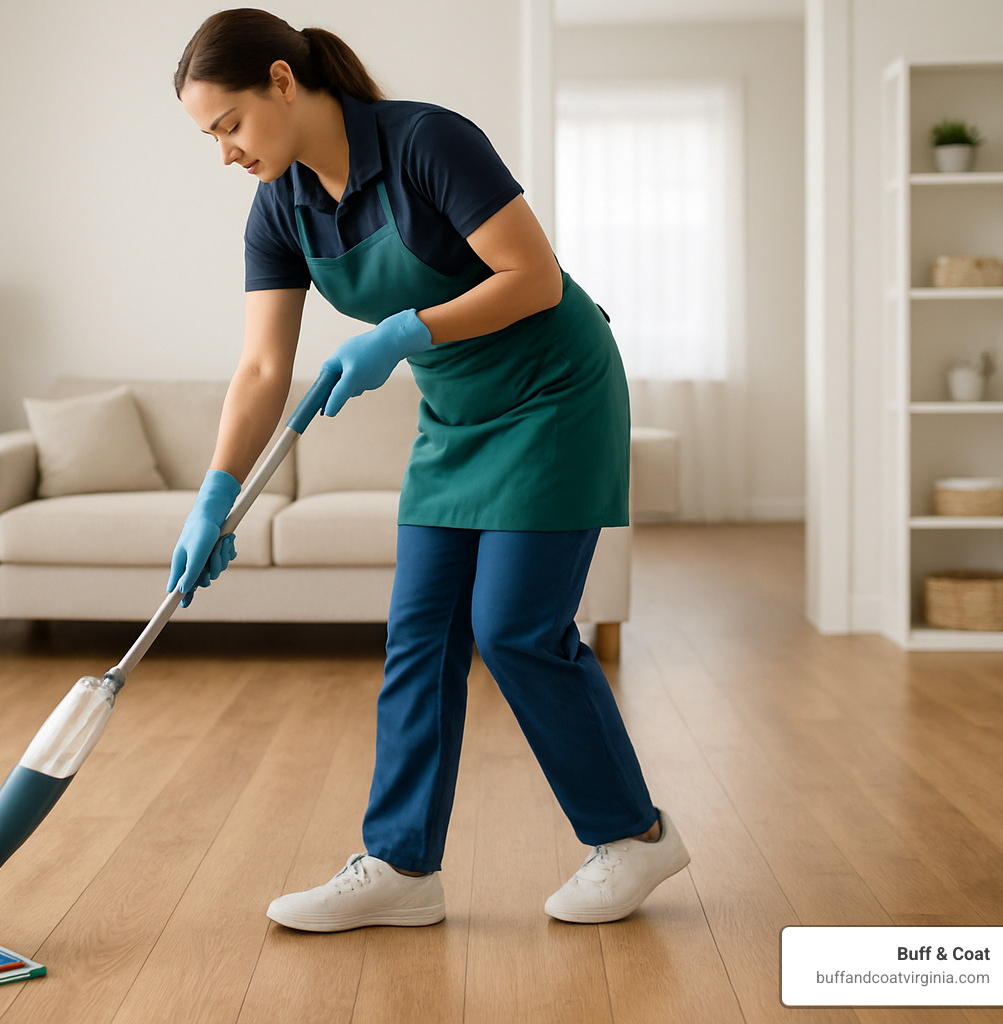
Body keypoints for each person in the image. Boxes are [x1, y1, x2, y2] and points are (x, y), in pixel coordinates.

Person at [169, 8, 690, 931]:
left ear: (284, 82)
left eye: (230, 125)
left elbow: (533, 278)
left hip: (554, 395)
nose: (225, 155)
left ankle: (636, 838)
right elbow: (261, 367)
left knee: (514, 628)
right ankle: (403, 867)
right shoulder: (280, 206)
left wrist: (402, 333)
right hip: (456, 413)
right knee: (418, 634)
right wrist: (215, 495)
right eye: (210, 137)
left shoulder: (425, 142)